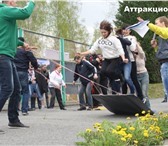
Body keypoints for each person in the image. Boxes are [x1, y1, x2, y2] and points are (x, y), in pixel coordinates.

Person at [0, 0, 35, 131]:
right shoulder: (4, 9)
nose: (16, 3)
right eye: (14, 1)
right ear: (9, 2)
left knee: (16, 89)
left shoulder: (4, 15)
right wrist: (31, 2)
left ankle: (13, 119)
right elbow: (25, 12)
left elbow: (7, 37)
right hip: (2, 56)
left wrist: (22, 43)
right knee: (7, 88)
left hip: (7, 56)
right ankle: (13, 118)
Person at [80, 20, 128, 94]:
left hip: (115, 59)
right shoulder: (99, 40)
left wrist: (123, 58)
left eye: (105, 32)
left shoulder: (114, 39)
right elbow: (92, 50)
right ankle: (112, 87)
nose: (103, 34)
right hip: (106, 59)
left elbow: (120, 49)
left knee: (109, 71)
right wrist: (82, 53)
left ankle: (119, 76)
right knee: (102, 72)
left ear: (109, 31)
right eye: (101, 32)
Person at [137, 16, 168, 103]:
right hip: (163, 62)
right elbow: (162, 50)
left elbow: (158, 30)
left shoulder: (166, 31)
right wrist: (155, 47)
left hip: (167, 62)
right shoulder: (162, 35)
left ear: (163, 23)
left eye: (157, 23)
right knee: (166, 84)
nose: (155, 25)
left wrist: (146, 23)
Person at [14, 37, 38, 115]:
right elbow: (34, 61)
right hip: (23, 72)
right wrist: (36, 67)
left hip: (13, 72)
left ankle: (14, 110)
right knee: (25, 91)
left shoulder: (12, 51)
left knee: (15, 92)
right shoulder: (26, 52)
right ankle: (24, 110)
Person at [122, 25, 145, 102]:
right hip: (122, 61)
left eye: (127, 30)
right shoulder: (119, 38)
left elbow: (132, 48)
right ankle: (124, 98)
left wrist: (125, 41)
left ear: (130, 30)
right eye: (123, 30)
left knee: (133, 79)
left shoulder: (132, 38)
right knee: (123, 81)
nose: (125, 31)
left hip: (131, 60)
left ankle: (140, 97)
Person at [135, 42, 151, 108]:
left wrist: (136, 44)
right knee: (139, 94)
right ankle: (140, 108)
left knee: (144, 93)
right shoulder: (131, 57)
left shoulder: (141, 55)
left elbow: (141, 52)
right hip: (136, 76)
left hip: (144, 74)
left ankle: (148, 108)